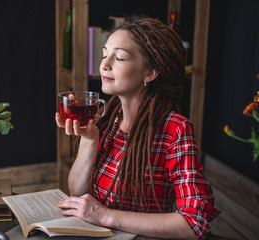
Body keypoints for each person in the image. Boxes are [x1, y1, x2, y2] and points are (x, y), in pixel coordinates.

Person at [55, 16, 220, 240]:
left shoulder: (175, 129)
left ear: (149, 73)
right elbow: (77, 193)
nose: (104, 64)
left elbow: (195, 222)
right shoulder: (106, 120)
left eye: (119, 57)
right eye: (105, 54)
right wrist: (90, 140)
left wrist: (106, 216)